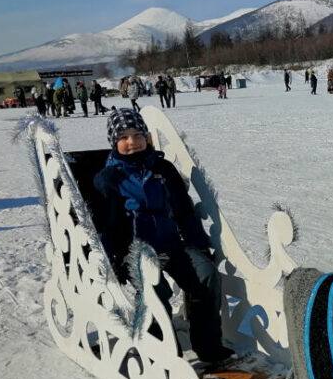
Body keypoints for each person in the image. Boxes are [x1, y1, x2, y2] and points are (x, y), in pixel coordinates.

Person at [93, 108, 234, 365]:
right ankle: (164, 356)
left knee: (205, 275)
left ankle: (207, 345)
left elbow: (184, 211)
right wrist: (116, 256)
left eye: (137, 134)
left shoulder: (163, 168)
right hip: (138, 251)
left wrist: (199, 244)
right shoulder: (109, 179)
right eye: (123, 137)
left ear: (146, 137)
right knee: (155, 293)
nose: (132, 142)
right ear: (114, 142)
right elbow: (107, 223)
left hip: (173, 243)